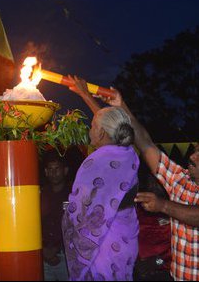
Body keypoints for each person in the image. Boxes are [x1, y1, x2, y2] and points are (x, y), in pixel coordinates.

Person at [69, 76, 199, 280]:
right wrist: (121, 105)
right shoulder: (180, 180)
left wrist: (163, 206)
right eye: (194, 151)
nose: (192, 156)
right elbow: (145, 143)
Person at [61, 84, 140, 280]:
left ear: (102, 133)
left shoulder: (98, 161)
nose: (90, 130)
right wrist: (85, 95)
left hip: (103, 245)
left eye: (93, 126)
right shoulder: (129, 154)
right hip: (125, 241)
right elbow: (112, 124)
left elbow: (81, 207)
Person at [134, 172, 172, 281]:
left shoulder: (177, 212)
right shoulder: (137, 208)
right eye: (151, 182)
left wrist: (157, 262)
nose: (153, 185)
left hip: (164, 272)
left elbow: (176, 253)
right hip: (136, 271)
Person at [41, 150, 72, 281]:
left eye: (57, 168)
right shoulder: (40, 194)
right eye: (50, 169)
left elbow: (75, 226)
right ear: (46, 172)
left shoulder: (74, 195)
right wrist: (44, 250)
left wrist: (56, 249)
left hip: (66, 256)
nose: (54, 173)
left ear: (65, 170)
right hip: (44, 255)